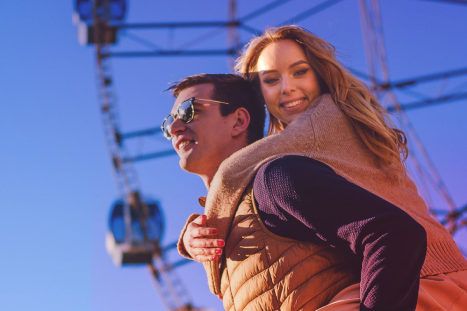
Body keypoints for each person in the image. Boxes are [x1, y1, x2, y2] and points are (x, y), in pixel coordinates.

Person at [163, 73, 450, 310]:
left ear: (238, 121)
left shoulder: (274, 180)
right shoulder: (221, 232)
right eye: (168, 122)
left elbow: (395, 234)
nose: (175, 127)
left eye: (190, 111)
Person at [233, 25, 467, 310]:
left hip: (418, 275)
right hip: (419, 271)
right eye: (271, 79)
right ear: (261, 93)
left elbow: (235, 171)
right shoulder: (330, 126)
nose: (287, 87)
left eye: (299, 71)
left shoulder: (323, 121)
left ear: (320, 73)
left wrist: (212, 218)